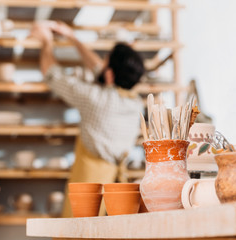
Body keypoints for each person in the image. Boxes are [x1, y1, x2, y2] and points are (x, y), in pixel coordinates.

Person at [30, 21, 145, 217]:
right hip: (118, 185)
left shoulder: (96, 99)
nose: (101, 63)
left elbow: (51, 73)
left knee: (78, 233)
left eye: (106, 61)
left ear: (110, 74)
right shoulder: (135, 103)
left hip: (89, 184)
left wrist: (47, 42)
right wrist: (72, 37)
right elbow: (101, 69)